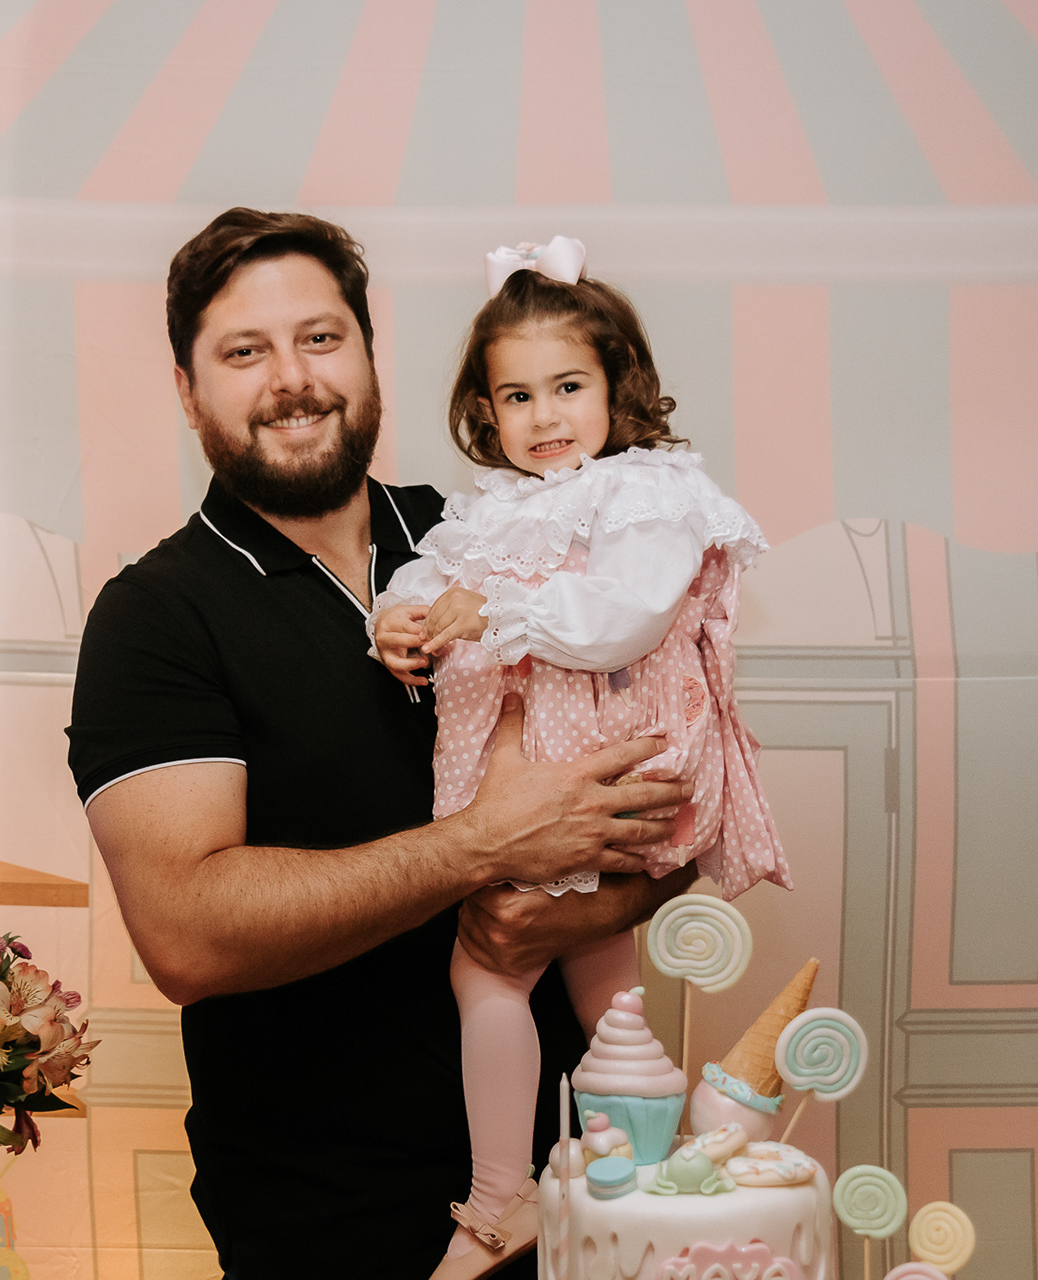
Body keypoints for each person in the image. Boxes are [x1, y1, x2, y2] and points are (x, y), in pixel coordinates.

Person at [66, 208, 699, 1280]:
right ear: (186, 388)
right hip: (328, 1218)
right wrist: (485, 845)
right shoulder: (158, 617)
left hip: (584, 1195)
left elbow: (670, 777)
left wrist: (588, 904)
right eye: (244, 352)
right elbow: (186, 935)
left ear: (368, 354)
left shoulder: (489, 535)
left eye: (320, 338)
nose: (292, 379)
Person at [368, 238, 792, 1272]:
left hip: (596, 762)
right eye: (518, 396)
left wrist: (495, 611)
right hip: (544, 771)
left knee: (486, 968)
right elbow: (430, 580)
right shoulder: (495, 508)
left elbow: (624, 615)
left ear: (617, 386)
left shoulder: (643, 490)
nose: (545, 416)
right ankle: (653, 1175)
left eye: (568, 387)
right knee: (601, 974)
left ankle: (498, 1196)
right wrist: (400, 619)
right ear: (486, 409)